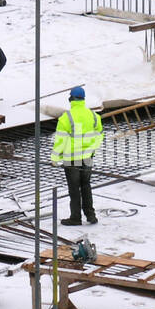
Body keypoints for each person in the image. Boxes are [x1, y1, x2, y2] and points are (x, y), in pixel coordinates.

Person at [52, 86, 103, 226]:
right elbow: (99, 134)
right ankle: (91, 215)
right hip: (87, 157)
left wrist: (55, 158)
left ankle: (75, 217)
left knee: (74, 188)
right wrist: (92, 150)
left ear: (71, 99)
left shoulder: (66, 118)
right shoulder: (93, 115)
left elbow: (60, 140)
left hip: (71, 158)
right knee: (86, 185)